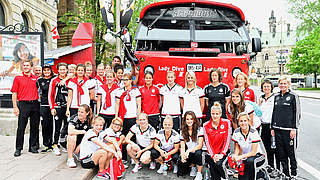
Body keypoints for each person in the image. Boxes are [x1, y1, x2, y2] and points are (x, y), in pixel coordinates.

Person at [271, 77, 301, 179]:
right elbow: (274, 112)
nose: (283, 85)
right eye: (281, 84)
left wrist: (294, 128)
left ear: (288, 84)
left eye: (285, 83)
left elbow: (297, 113)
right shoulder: (276, 96)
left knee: (291, 153)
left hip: (289, 130)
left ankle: (293, 173)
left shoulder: (293, 96)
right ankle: (285, 173)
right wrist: (272, 127)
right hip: (277, 129)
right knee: (281, 153)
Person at [11, 60, 40, 157]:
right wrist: (15, 107)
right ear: (22, 67)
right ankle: (18, 148)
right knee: (21, 127)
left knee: (35, 127)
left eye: (27, 65)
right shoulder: (18, 78)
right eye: (24, 65)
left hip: (35, 104)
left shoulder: (36, 78)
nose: (26, 67)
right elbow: (14, 93)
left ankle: (32, 146)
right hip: (23, 104)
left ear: (31, 67)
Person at [231, 112, 267, 180]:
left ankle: (259, 174)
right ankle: (260, 174)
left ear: (248, 121)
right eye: (241, 121)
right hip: (245, 157)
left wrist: (240, 157)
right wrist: (235, 157)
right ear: (238, 122)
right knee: (242, 178)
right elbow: (237, 148)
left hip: (258, 156)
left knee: (250, 161)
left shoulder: (253, 132)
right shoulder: (236, 132)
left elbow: (253, 152)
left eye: (245, 121)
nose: (243, 123)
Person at [115, 73, 141, 163]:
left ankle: (133, 156)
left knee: (133, 138)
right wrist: (116, 117)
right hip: (123, 117)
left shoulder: (135, 91)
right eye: (123, 80)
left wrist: (138, 116)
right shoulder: (119, 91)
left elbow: (139, 104)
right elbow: (117, 104)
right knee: (123, 137)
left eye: (126, 80)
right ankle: (124, 158)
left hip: (133, 117)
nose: (124, 82)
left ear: (130, 80)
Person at [203, 102, 231, 180]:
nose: (215, 116)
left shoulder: (227, 123)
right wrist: (213, 155)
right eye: (213, 114)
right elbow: (207, 143)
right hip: (212, 154)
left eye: (217, 114)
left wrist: (222, 154)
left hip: (223, 153)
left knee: (219, 164)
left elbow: (227, 140)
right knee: (215, 177)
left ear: (220, 114)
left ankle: (225, 177)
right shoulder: (205, 125)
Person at [48, 62, 70, 156]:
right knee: (57, 127)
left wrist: (67, 78)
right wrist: (52, 107)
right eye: (60, 69)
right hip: (57, 107)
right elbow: (50, 95)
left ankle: (64, 144)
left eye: (64, 69)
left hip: (68, 107)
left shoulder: (70, 80)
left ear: (67, 70)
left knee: (67, 126)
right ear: (58, 70)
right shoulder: (54, 80)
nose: (62, 71)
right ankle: (55, 145)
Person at [258, 80, 280, 172]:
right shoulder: (261, 98)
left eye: (268, 86)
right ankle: (270, 165)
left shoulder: (275, 97)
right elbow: (258, 113)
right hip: (264, 126)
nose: (266, 88)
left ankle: (278, 168)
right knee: (267, 148)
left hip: (273, 126)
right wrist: (259, 104)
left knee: (275, 148)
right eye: (264, 86)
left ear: (271, 87)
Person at [178, 111, 204, 180]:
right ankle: (192, 166)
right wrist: (182, 155)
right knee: (181, 171)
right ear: (185, 120)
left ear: (194, 119)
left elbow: (200, 145)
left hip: (197, 151)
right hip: (189, 153)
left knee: (198, 153)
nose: (189, 121)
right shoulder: (182, 131)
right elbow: (182, 146)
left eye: (191, 119)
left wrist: (189, 150)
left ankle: (199, 173)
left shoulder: (200, 129)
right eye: (187, 119)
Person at [36, 64, 55, 153]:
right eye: (45, 70)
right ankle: (46, 144)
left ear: (51, 70)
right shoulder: (40, 80)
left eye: (48, 70)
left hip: (53, 105)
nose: (46, 72)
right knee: (45, 125)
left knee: (52, 125)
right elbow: (37, 92)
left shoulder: (54, 78)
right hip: (43, 105)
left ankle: (53, 143)